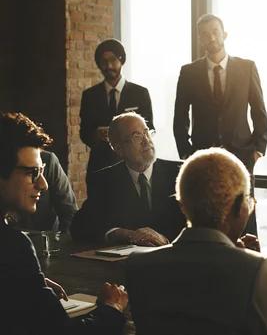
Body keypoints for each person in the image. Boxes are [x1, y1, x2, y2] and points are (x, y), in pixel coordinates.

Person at [126, 148, 267, 335]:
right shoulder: (257, 270)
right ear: (239, 207)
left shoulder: (138, 265)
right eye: (249, 203)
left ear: (182, 205)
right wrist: (251, 263)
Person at [0, 112, 128, 334]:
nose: (43, 184)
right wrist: (112, 309)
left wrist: (25, 283)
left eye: (41, 172)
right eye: (32, 173)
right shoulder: (12, 245)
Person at [173, 14, 267, 236]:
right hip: (202, 155)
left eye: (215, 32)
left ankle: (251, 261)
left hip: (242, 155)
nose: (211, 38)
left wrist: (258, 150)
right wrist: (187, 153)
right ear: (200, 40)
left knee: (245, 213)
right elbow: (180, 117)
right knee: (205, 213)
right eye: (205, 34)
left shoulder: (246, 67)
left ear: (224, 34)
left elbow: (259, 112)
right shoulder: (189, 72)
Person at [71, 113, 186, 245]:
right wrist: (121, 234)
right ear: (119, 149)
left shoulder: (181, 173)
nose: (147, 141)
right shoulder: (104, 180)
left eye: (147, 133)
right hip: (126, 262)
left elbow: (201, 226)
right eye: (137, 137)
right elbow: (80, 227)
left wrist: (165, 239)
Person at [80, 38, 154, 181]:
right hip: (99, 165)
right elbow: (84, 133)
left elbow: (150, 127)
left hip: (133, 164)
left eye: (113, 60)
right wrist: (96, 135)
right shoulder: (89, 96)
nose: (108, 65)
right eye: (104, 61)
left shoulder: (140, 93)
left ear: (121, 60)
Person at [14, 150, 77, 233]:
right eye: (31, 172)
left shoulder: (47, 160)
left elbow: (69, 213)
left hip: (46, 240)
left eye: (41, 170)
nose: (44, 185)